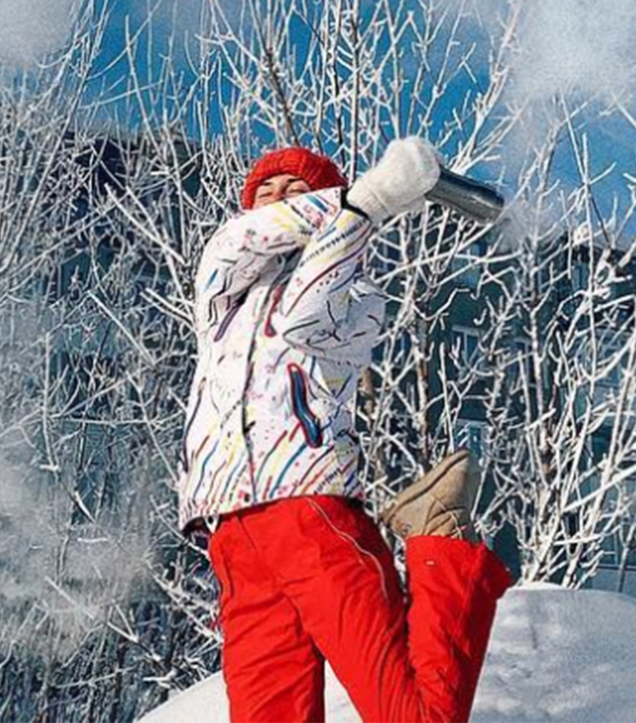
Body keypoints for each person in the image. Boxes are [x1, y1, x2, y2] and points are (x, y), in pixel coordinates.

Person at [177, 141, 512, 723]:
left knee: (408, 716)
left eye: (296, 190)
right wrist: (356, 198)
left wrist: (360, 213)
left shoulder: (359, 301)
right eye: (267, 190)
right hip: (232, 536)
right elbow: (233, 243)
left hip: (311, 515)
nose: (277, 200)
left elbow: (306, 313)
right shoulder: (221, 298)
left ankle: (440, 532)